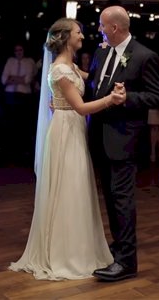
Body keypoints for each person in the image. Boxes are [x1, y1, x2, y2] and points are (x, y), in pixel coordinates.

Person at [9, 18, 126, 280]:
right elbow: (82, 107)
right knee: (68, 187)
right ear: (65, 38)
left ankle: (79, 247)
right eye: (78, 32)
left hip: (73, 129)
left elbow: (93, 80)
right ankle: (65, 253)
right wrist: (112, 99)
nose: (82, 36)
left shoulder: (69, 66)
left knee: (77, 187)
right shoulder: (59, 70)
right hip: (65, 132)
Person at [89, 5, 159, 281]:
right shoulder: (101, 52)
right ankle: (118, 248)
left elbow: (158, 97)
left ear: (115, 29)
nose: (99, 30)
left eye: (102, 25)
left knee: (122, 199)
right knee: (110, 197)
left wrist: (128, 98)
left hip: (125, 139)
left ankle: (127, 262)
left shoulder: (145, 56)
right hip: (100, 137)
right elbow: (95, 88)